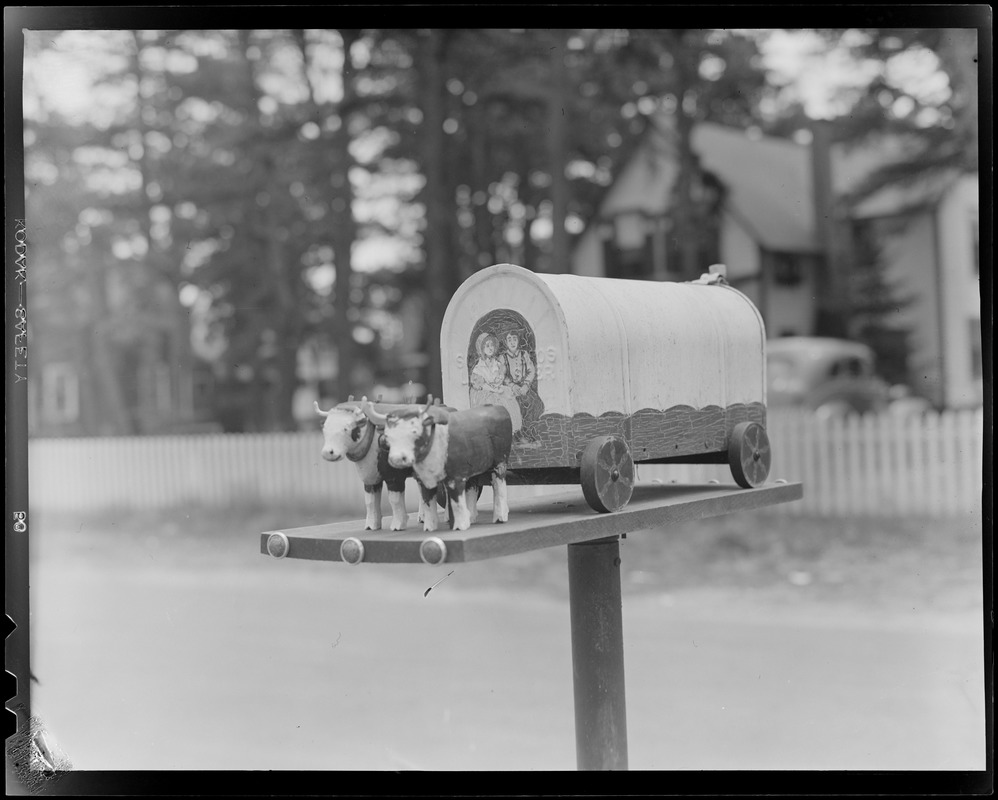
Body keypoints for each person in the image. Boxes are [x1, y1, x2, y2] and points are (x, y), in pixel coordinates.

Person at [469, 332, 523, 432]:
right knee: (492, 403)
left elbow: (501, 375)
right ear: (482, 349)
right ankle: (494, 431)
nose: (490, 348)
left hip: (496, 388)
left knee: (508, 396)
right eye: (487, 346)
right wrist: (492, 389)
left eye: (492, 345)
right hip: (485, 392)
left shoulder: (497, 363)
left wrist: (499, 381)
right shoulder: (478, 368)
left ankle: (511, 429)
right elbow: (480, 385)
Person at [500, 328, 544, 444]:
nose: (512, 342)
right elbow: (502, 376)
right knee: (517, 407)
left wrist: (526, 385)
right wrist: (513, 386)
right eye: (509, 340)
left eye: (515, 339)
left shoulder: (524, 355)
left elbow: (531, 371)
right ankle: (517, 434)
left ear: (518, 341)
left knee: (536, 404)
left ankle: (528, 431)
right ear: (506, 342)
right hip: (511, 389)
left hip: (524, 387)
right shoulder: (503, 357)